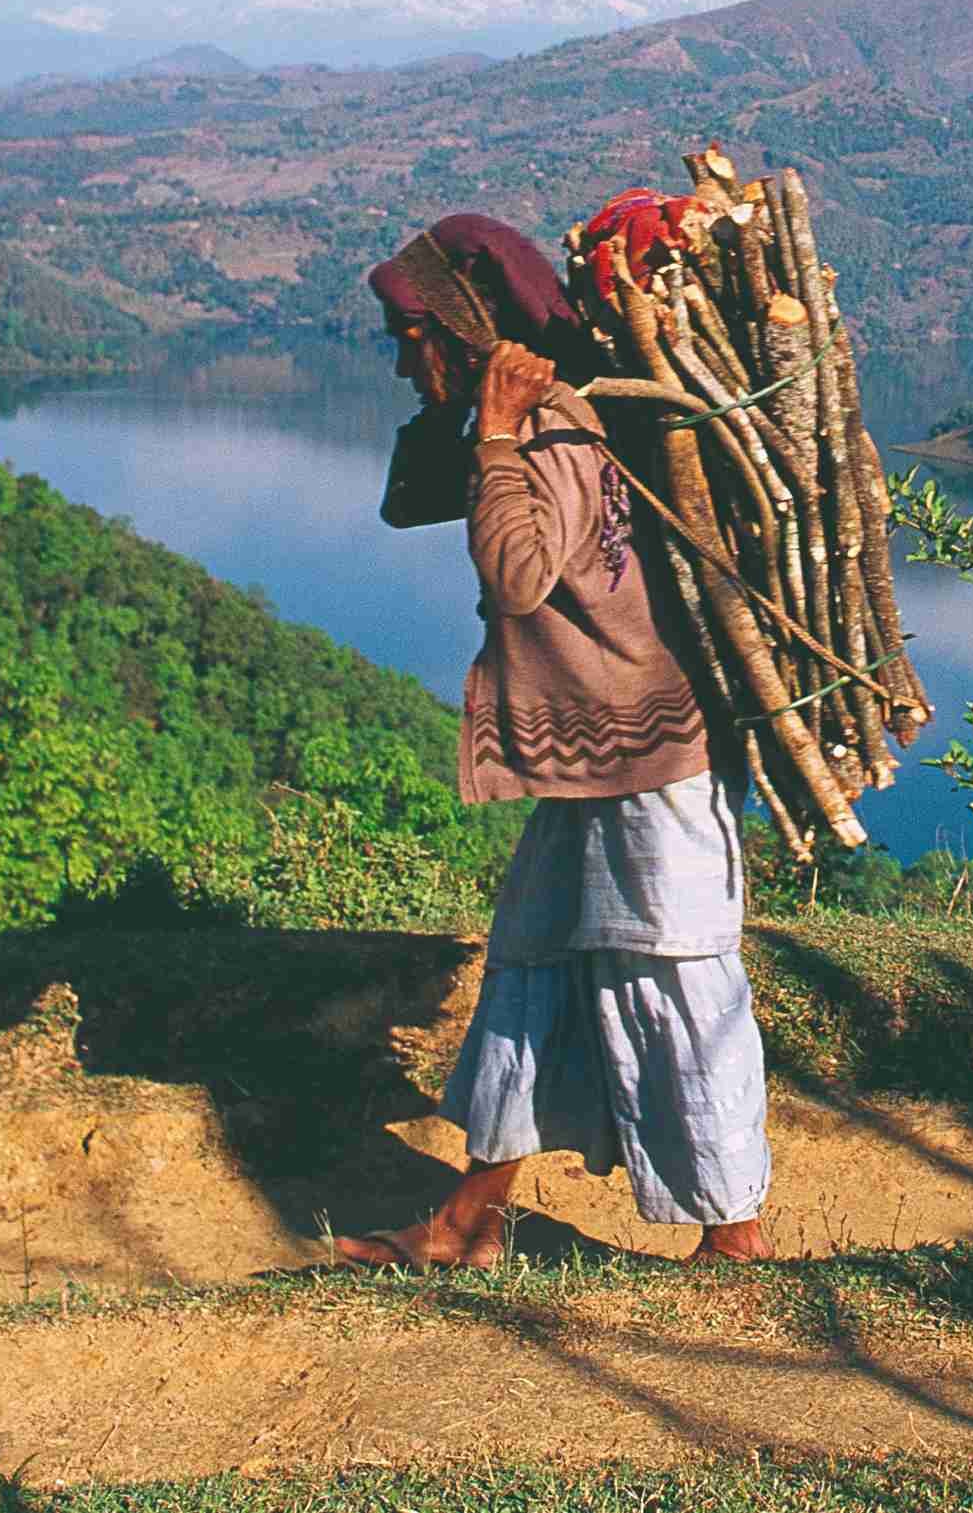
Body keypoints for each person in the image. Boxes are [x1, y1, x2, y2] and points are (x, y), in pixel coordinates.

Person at [328, 211, 773, 1269]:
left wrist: (493, 434)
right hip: (598, 752)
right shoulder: (540, 422)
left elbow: (519, 576)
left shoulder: (553, 433)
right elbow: (411, 503)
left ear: (458, 330)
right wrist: (472, 420)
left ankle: (735, 1236)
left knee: (675, 971)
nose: (399, 360)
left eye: (410, 337)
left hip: (650, 758)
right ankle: (467, 1219)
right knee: (532, 958)